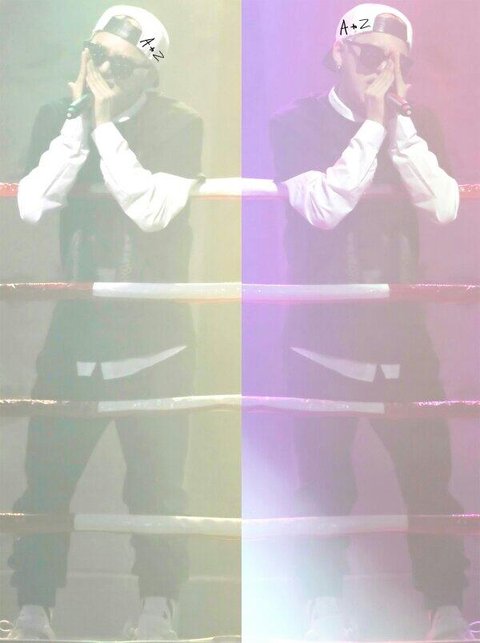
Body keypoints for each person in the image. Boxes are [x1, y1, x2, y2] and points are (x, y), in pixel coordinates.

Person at [269, 3, 473, 640]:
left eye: (395, 60)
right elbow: (325, 207)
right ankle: (320, 605)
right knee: (323, 488)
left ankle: (446, 608)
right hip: (321, 342)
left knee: (430, 484)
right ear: (338, 52)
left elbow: (443, 204)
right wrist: (375, 124)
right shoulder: (295, 124)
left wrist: (397, 123)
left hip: (401, 341)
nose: (380, 70)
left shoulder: (416, 123)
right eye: (368, 54)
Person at [7, 5, 203, 640]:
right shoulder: (58, 115)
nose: (105, 72)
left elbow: (149, 210)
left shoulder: (179, 123)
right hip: (77, 338)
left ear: (150, 74)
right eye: (97, 55)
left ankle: (158, 609)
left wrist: (105, 125)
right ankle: (33, 610)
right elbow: (33, 202)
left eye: (122, 64)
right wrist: (79, 121)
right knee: (45, 484)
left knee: (158, 492)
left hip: (156, 343)